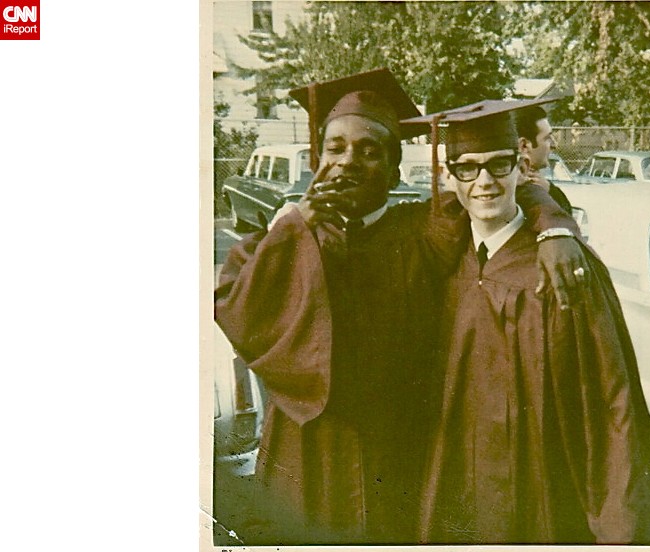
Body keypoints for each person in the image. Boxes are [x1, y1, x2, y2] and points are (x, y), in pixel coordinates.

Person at [214, 70, 586, 544]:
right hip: (308, 454)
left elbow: (504, 188)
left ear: (393, 169)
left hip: (401, 451)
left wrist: (554, 225)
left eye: (371, 151)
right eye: (337, 148)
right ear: (317, 159)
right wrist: (299, 224)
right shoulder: (276, 242)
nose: (351, 161)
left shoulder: (422, 232)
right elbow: (240, 313)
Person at [406, 103, 650, 544]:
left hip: (541, 483)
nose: (484, 181)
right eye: (467, 169)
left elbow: (607, 402)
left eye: (498, 165)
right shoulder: (443, 257)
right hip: (460, 482)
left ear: (520, 166)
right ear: (449, 176)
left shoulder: (563, 270)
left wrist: (619, 523)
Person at [516, 104, 573, 214]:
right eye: (547, 138)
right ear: (524, 146)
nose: (554, 145)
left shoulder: (544, 187)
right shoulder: (520, 195)